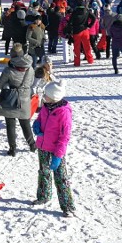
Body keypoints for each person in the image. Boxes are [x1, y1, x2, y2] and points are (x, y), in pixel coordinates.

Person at [31, 78, 76, 217]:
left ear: (55, 97)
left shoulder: (64, 113)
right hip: (43, 146)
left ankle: (68, 206)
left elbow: (65, 136)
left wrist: (58, 155)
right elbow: (40, 119)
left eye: (46, 95)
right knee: (43, 172)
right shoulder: (46, 106)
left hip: (56, 150)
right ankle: (43, 196)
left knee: (61, 177)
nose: (44, 97)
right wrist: (36, 125)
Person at [0, 44, 35, 156]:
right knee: (25, 123)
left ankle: (12, 148)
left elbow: (0, 84)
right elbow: (31, 83)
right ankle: (32, 144)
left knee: (10, 125)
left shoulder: (9, 71)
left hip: (11, 99)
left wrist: (8, 84)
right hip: (24, 99)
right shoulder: (30, 68)